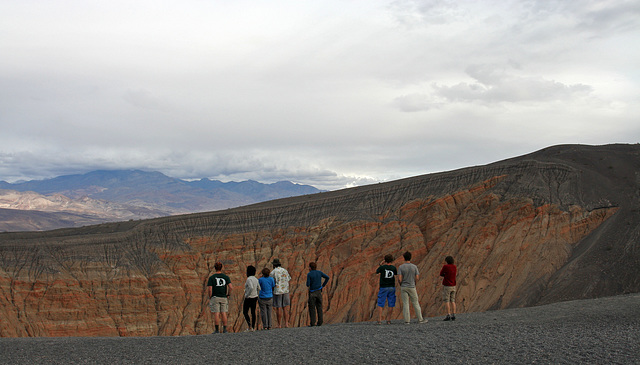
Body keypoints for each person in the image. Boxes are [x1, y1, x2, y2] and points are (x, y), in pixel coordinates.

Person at [397, 251, 427, 324]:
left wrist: (401, 284)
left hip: (404, 286)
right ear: (410, 257)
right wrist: (414, 283)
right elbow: (417, 277)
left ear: (404, 258)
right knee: (415, 303)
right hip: (412, 286)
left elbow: (399, 278)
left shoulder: (401, 267)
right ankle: (420, 319)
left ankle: (407, 321)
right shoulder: (414, 267)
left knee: (405, 303)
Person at [207, 262, 233, 333]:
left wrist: (210, 296)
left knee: (217, 313)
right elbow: (230, 287)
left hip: (215, 297)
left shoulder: (212, 278)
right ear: (221, 267)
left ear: (215, 268)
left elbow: (210, 288)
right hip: (224, 297)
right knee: (223, 312)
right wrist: (228, 294)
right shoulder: (226, 277)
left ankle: (217, 330)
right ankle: (225, 329)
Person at [374, 254, 397, 325]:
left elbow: (376, 271)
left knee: (380, 303)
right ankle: (388, 320)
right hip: (391, 287)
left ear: (385, 260)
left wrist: (380, 264)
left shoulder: (382, 267)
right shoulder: (393, 268)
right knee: (391, 303)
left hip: (383, 287)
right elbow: (395, 274)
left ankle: (379, 320)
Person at [306, 262, 330, 327]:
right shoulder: (319, 272)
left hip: (312, 292)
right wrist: (323, 285)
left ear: (310, 268)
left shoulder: (309, 274)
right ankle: (320, 322)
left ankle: (313, 323)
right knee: (319, 307)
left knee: (312, 308)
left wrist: (310, 283)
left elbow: (307, 284)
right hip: (319, 292)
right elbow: (327, 277)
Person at [270, 258, 292, 328]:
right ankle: (286, 324)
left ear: (274, 265)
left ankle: (279, 325)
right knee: (285, 307)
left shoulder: (273, 272)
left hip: (277, 291)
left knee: (278, 307)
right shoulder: (285, 271)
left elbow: (272, 282)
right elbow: (288, 279)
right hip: (285, 290)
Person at [440, 256, 458, 321]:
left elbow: (441, 273)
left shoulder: (446, 267)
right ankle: (454, 314)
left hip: (447, 285)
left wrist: (445, 275)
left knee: (447, 300)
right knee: (453, 300)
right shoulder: (454, 267)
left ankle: (448, 315)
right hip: (453, 285)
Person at [243, 265, 261, 331]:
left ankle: (249, 326)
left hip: (249, 297)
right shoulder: (256, 279)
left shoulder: (249, 279)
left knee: (245, 312)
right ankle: (253, 327)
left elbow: (251, 287)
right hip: (255, 297)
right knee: (253, 312)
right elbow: (259, 288)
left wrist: (247, 294)